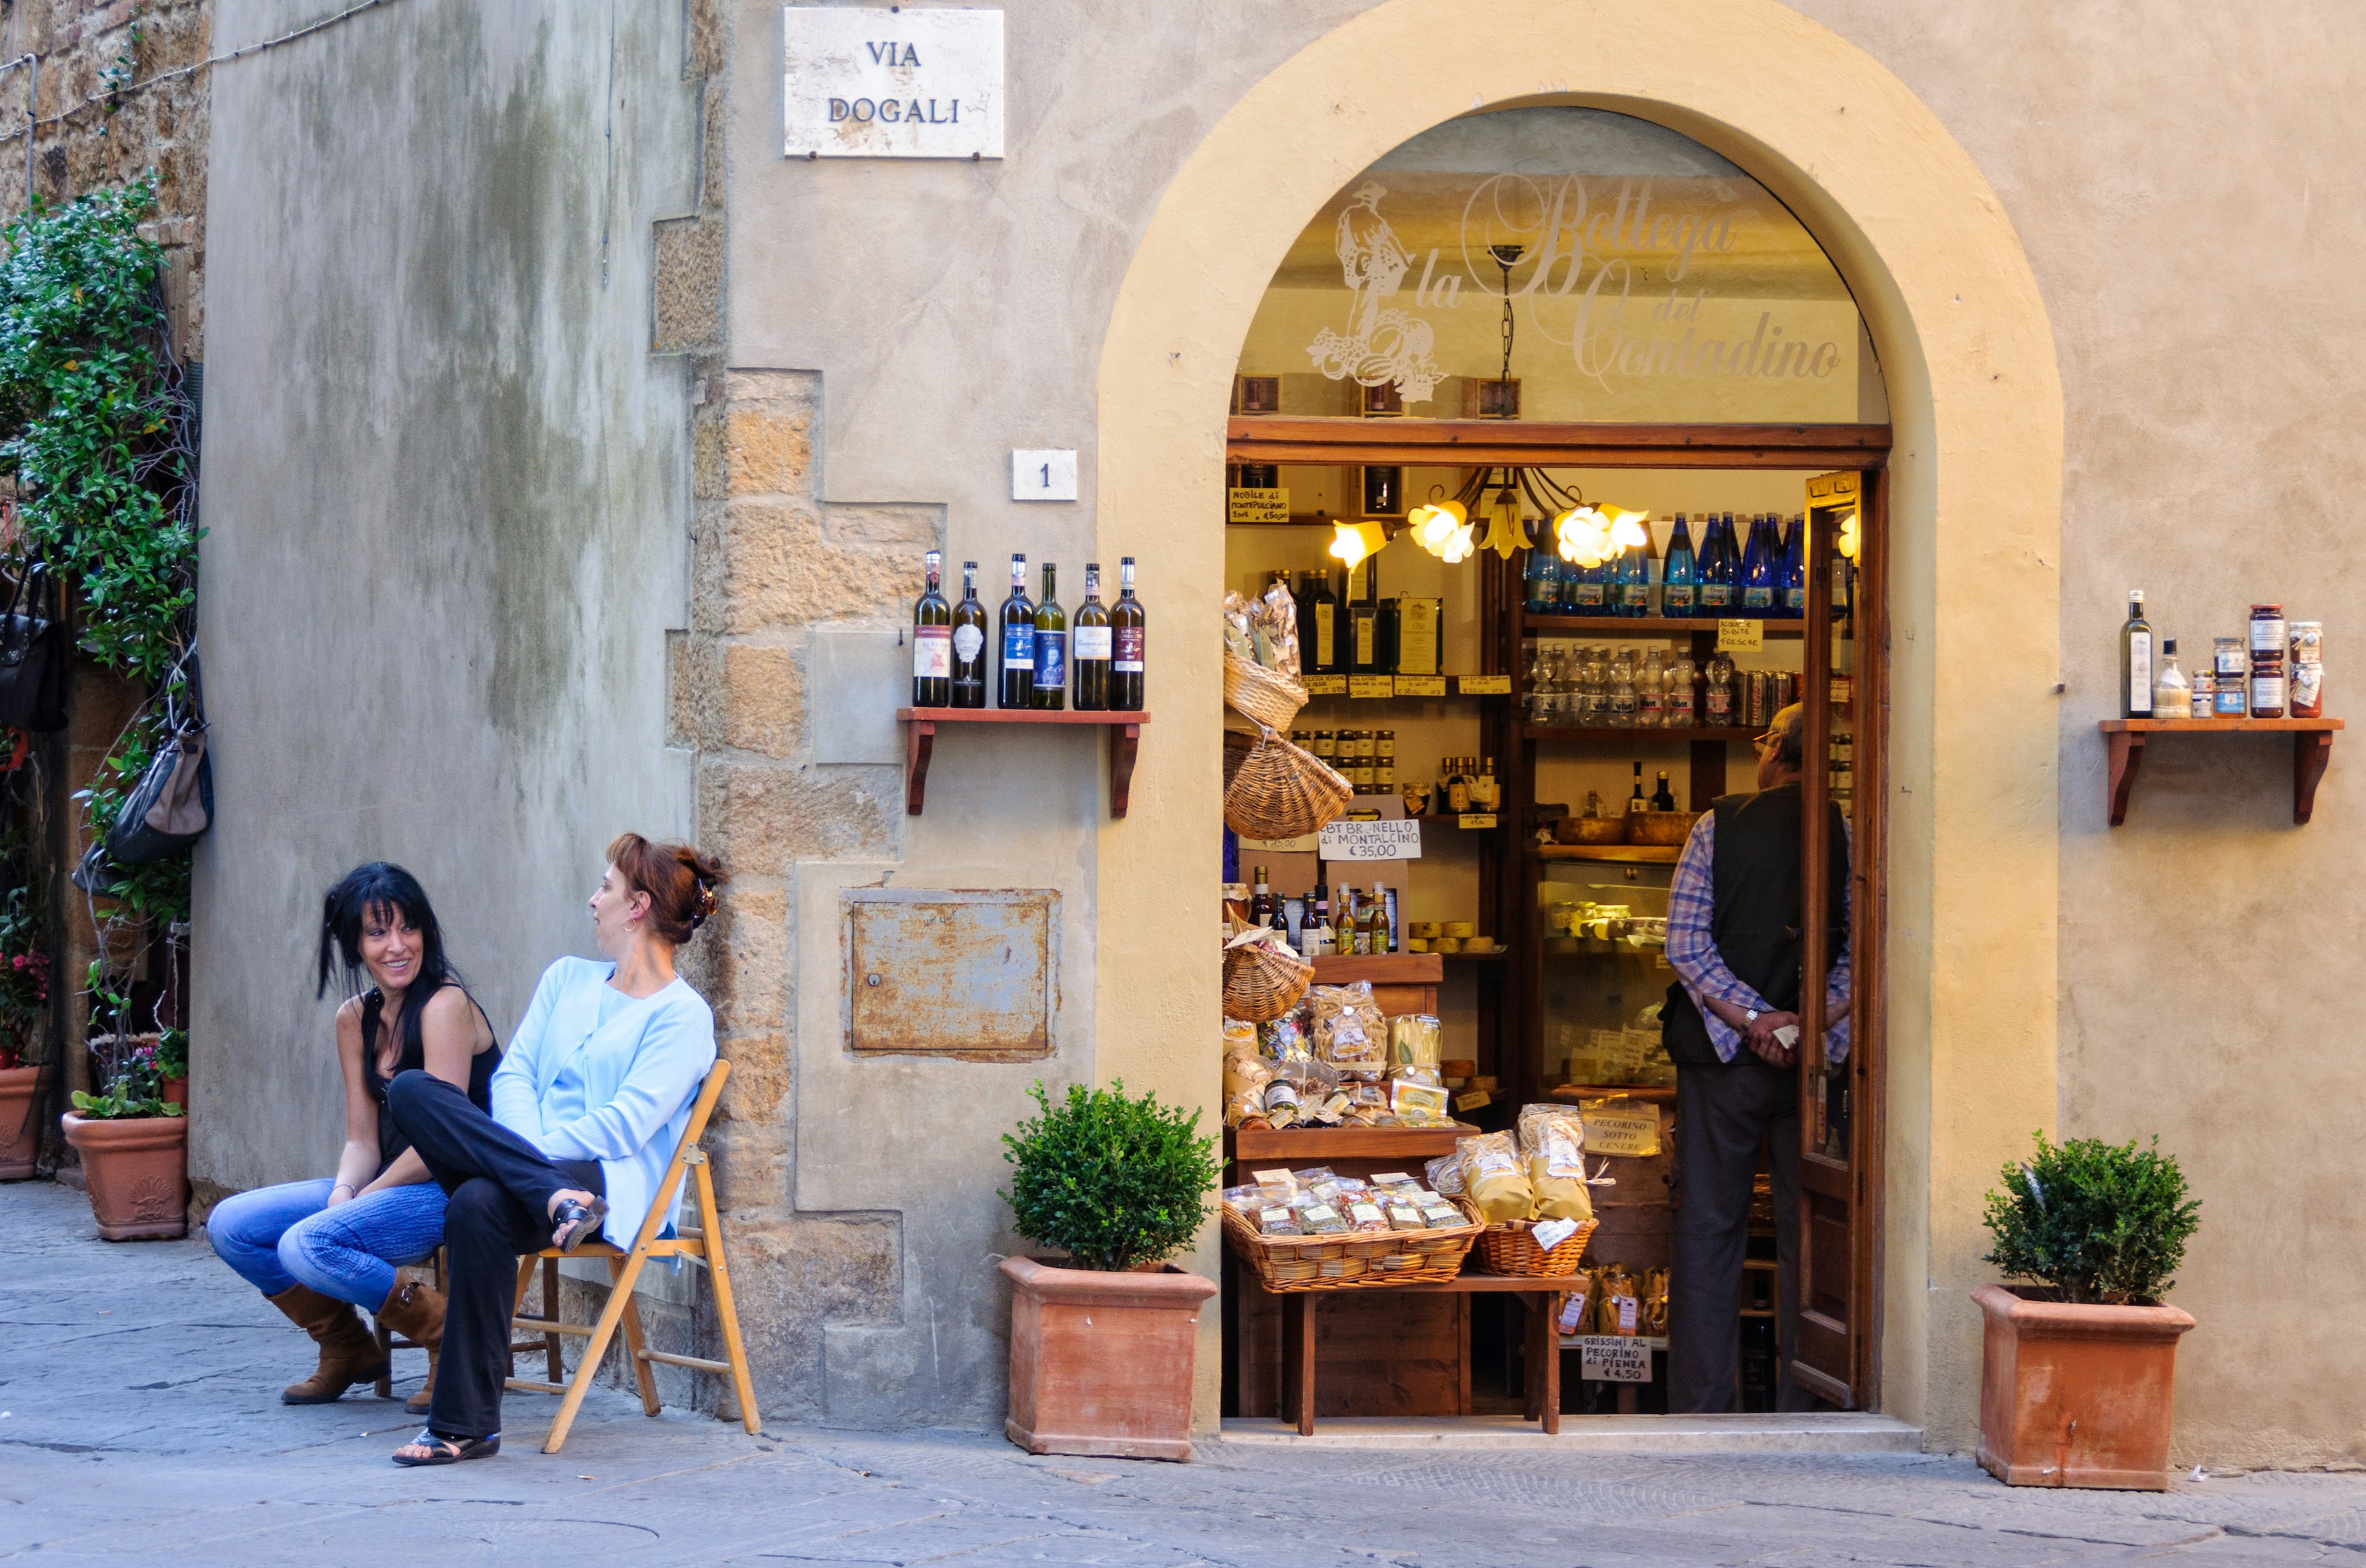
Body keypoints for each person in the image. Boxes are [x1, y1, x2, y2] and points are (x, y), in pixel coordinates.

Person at [381, 834, 725, 1466]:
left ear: (638, 906)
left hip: (603, 1179)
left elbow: (623, 1127)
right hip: (555, 1186)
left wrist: (516, 1158)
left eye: (606, 888)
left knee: (477, 1203)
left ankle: (462, 1425)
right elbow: (513, 1077)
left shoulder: (683, 1017)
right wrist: (531, 1165)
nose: (592, 900)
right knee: (410, 1091)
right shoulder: (566, 978)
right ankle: (551, 1198)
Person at [207, 864, 500, 1410]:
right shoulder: (353, 1019)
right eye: (378, 932)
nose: (397, 946)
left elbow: (446, 1139)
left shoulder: (445, 1006)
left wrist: (369, 1196)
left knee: (306, 1242)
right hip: (385, 1188)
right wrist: (345, 1191)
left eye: (408, 928)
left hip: (454, 1189)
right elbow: (362, 1138)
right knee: (232, 1225)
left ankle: (447, 1338)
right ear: (354, 944)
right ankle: (347, 1348)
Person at [1659, 702, 1850, 1414]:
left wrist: (1752, 1018)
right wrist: (1808, 1020)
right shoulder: (1849, 834)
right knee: (1812, 1230)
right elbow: (1863, 950)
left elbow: (1685, 944)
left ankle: (1702, 1409)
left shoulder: (1719, 826)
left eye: (1764, 738)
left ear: (1777, 752)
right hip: (1816, 1069)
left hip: (1720, 1059)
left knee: (1710, 1229)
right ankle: (1809, 1402)